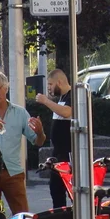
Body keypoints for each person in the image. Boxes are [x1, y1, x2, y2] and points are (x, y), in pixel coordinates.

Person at [0, 70, 46, 215]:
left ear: (6, 88)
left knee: (22, 215)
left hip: (13, 172)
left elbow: (38, 142)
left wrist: (40, 132)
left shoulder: (20, 112)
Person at [36, 69, 73, 209]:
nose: (49, 88)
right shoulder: (62, 98)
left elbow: (66, 112)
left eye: (50, 84)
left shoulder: (72, 95)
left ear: (59, 82)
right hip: (58, 152)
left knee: (70, 190)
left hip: (69, 152)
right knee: (55, 190)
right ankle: (60, 217)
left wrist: (46, 101)